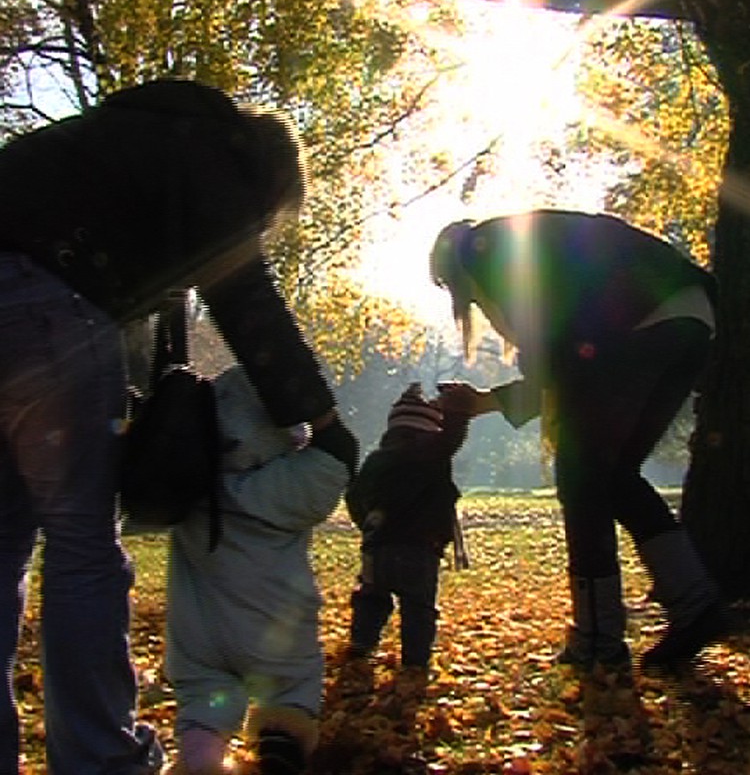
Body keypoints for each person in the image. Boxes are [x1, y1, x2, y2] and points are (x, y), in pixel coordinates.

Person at [0, 79, 346, 774]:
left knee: (0, 544)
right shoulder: (211, 155)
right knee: (81, 545)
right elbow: (243, 296)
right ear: (266, 175)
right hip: (49, 311)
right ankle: (98, 759)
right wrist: (321, 417)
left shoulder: (104, 139)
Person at [429, 209, 727, 671]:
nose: (464, 303)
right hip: (689, 320)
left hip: (641, 325)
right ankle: (697, 606)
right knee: (617, 478)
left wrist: (490, 398)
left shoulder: (484, 253)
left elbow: (557, 355)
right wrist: (487, 401)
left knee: (583, 478)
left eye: (451, 289)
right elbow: (564, 360)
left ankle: (597, 639)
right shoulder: (519, 239)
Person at [164, 364, 357, 775]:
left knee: (203, 699)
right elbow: (340, 454)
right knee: (291, 687)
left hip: (196, 629)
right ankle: (279, 748)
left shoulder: (188, 489)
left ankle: (200, 761)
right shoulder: (286, 484)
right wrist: (317, 408)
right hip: (271, 627)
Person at [345, 382, 471, 671]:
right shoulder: (432, 452)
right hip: (420, 547)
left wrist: (366, 523)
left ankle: (361, 643)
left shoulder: (377, 459)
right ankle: (415, 661)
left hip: (378, 546)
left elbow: (354, 495)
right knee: (418, 607)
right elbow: (452, 437)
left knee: (371, 596)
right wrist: (457, 407)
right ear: (429, 428)